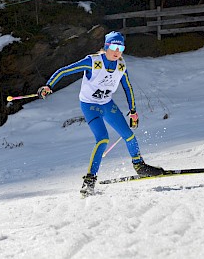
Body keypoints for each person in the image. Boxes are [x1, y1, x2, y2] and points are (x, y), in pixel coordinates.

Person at [37, 31, 164, 196]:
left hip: (106, 104)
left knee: (129, 135)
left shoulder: (121, 65)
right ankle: (89, 180)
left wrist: (133, 111)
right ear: (107, 46)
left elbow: (128, 87)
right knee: (103, 138)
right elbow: (64, 71)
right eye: (114, 46)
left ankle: (140, 166)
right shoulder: (93, 62)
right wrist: (49, 86)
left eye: (121, 47)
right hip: (90, 106)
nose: (118, 51)